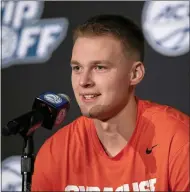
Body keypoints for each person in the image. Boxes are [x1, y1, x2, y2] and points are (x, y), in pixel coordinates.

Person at [31, 14, 189, 192]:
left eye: (99, 67)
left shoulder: (178, 140)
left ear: (135, 74)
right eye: (77, 68)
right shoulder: (56, 153)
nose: (83, 81)